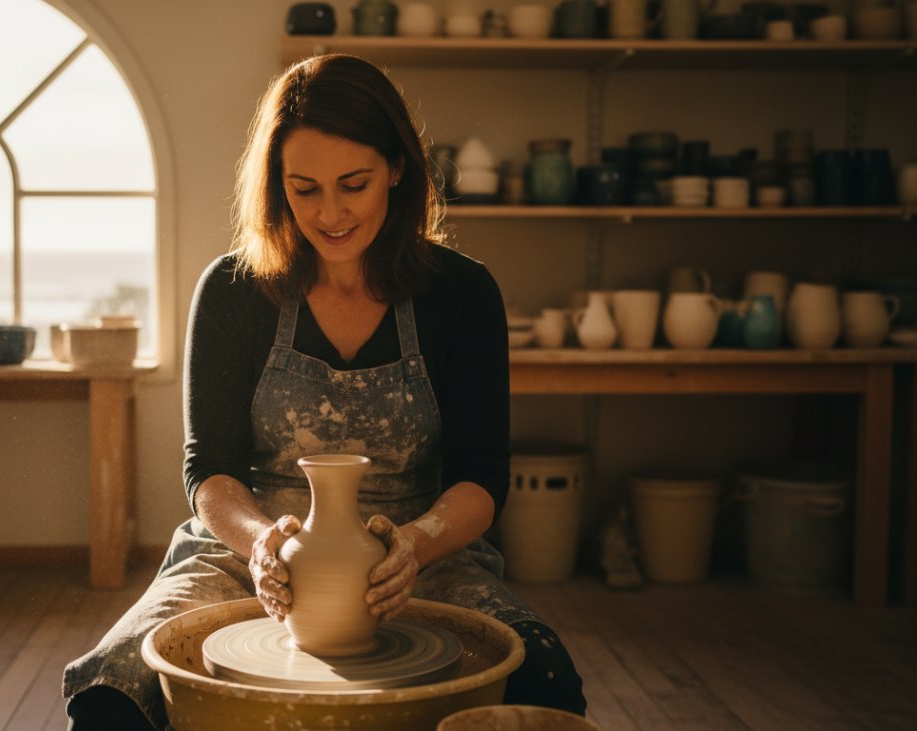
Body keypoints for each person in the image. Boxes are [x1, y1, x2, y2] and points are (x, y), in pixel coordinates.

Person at [63, 53, 586, 730]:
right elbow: (209, 466)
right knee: (114, 693)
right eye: (304, 188)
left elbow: (481, 475)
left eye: (354, 184)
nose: (331, 213)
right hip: (245, 554)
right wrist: (259, 544)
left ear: (397, 167)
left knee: (544, 676)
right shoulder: (232, 291)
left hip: (421, 556)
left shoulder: (461, 293)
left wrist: (416, 543)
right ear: (277, 185)